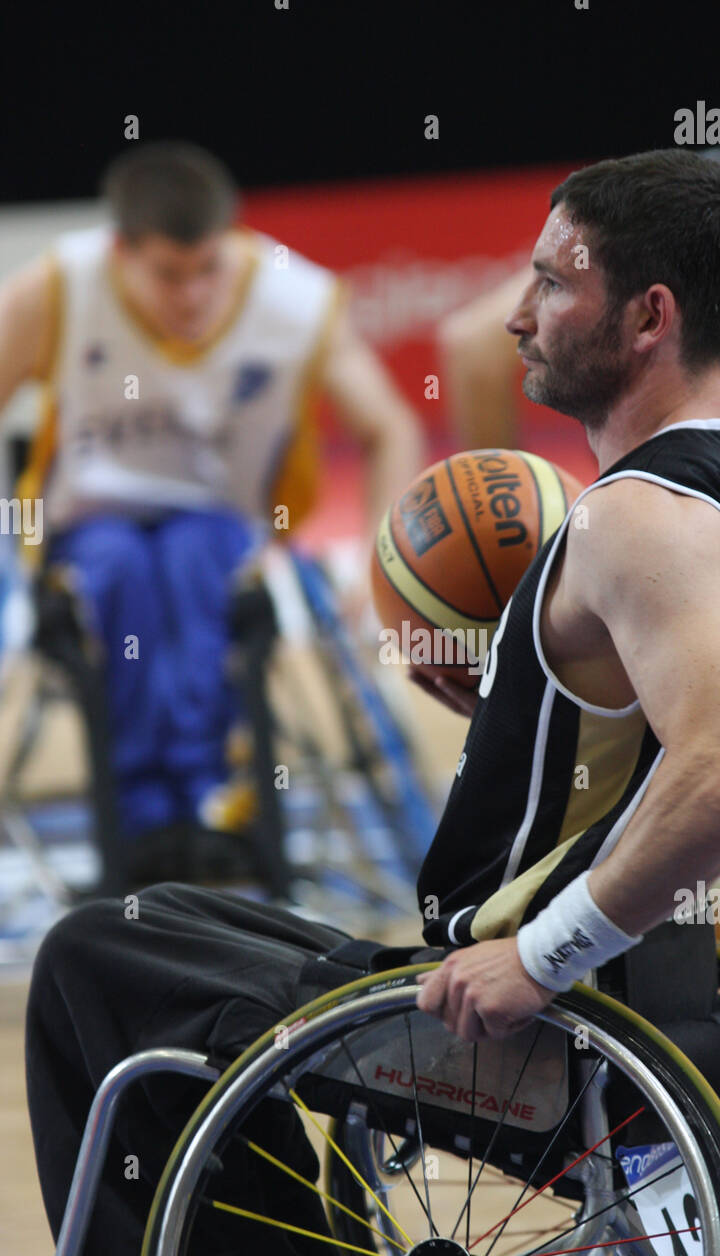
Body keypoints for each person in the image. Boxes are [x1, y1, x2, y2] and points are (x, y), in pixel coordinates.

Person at [25, 149, 720, 1256]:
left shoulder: (636, 521)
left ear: (649, 315)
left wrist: (535, 956)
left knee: (89, 959)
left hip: (522, 1026)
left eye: (555, 282)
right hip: (660, 997)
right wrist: (525, 703)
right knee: (161, 917)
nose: (517, 314)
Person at [436, 42, 720, 805]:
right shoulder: (686, 218)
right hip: (707, 433)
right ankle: (703, 776)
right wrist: (509, 512)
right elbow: (472, 347)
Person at [0, 141, 424, 885]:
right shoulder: (58, 287)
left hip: (221, 522)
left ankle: (200, 802)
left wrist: (375, 557)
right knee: (124, 566)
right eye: (169, 274)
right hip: (88, 524)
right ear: (121, 250)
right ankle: (145, 816)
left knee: (196, 556)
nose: (192, 295)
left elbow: (390, 427)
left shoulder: (295, 297)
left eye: (208, 270)